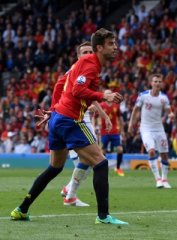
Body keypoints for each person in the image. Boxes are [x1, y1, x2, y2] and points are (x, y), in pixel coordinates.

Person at [10, 28, 128, 225]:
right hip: (70, 120)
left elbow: (60, 84)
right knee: (100, 162)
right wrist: (103, 96)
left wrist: (54, 110)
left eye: (114, 43)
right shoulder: (90, 65)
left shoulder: (82, 64)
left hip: (59, 118)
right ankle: (103, 216)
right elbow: (77, 89)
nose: (115, 47)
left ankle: (21, 209)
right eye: (110, 44)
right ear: (99, 47)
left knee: (54, 167)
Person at [58, 42, 111, 207]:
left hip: (83, 116)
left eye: (90, 51)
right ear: (78, 55)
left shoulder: (90, 70)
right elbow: (59, 88)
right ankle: (70, 193)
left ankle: (70, 192)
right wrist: (53, 110)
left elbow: (91, 97)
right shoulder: (74, 70)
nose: (88, 54)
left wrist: (104, 116)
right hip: (72, 118)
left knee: (90, 159)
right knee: (92, 159)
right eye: (84, 52)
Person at [128, 73, 174, 189]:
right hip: (146, 128)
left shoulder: (163, 98)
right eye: (155, 81)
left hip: (159, 128)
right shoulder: (143, 96)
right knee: (152, 151)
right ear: (151, 83)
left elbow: (169, 110)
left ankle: (164, 179)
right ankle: (158, 179)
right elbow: (136, 109)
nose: (157, 83)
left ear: (162, 83)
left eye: (159, 81)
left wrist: (171, 114)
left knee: (164, 154)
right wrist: (131, 123)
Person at [100, 89, 125, 176]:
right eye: (107, 94)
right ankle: (103, 169)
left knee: (120, 149)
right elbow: (95, 117)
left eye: (110, 94)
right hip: (104, 131)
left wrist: (122, 131)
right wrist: (94, 126)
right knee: (103, 151)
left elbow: (120, 118)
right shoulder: (101, 105)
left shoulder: (116, 106)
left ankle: (118, 168)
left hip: (115, 131)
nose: (109, 95)